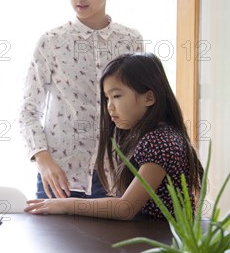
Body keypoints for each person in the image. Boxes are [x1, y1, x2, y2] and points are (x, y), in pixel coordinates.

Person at [19, 0, 144, 199]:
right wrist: (44, 161)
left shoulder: (131, 41)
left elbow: (141, 108)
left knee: (110, 243)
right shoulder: (51, 42)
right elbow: (28, 111)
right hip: (59, 179)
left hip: (117, 177)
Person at [24, 53, 204, 220]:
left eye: (117, 96)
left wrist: (65, 205)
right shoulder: (152, 136)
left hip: (163, 243)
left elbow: (126, 208)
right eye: (107, 98)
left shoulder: (160, 142)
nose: (109, 106)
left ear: (149, 98)